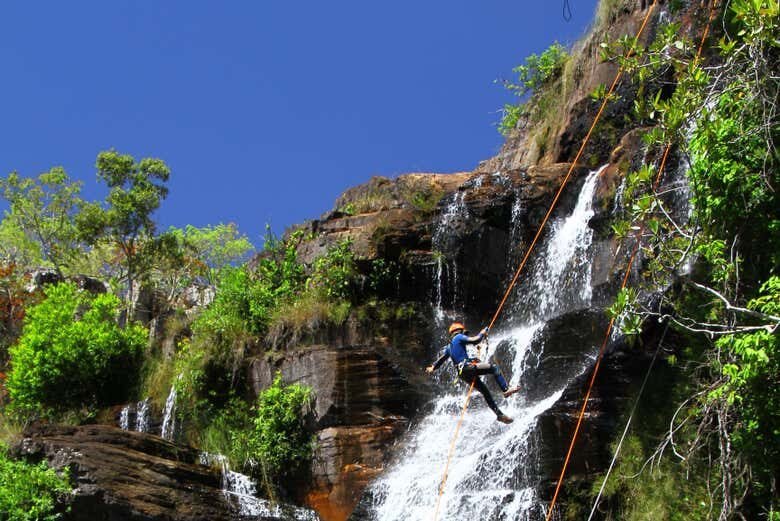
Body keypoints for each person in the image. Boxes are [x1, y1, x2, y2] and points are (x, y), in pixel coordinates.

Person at [426, 322, 520, 424]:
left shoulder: (450, 347)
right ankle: (505, 389)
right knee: (494, 368)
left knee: (485, 391)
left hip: (463, 374)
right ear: (459, 331)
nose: (465, 335)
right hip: (467, 368)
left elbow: (441, 360)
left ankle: (499, 415)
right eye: (464, 333)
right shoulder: (459, 337)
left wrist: (433, 367)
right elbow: (476, 340)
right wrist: (482, 332)